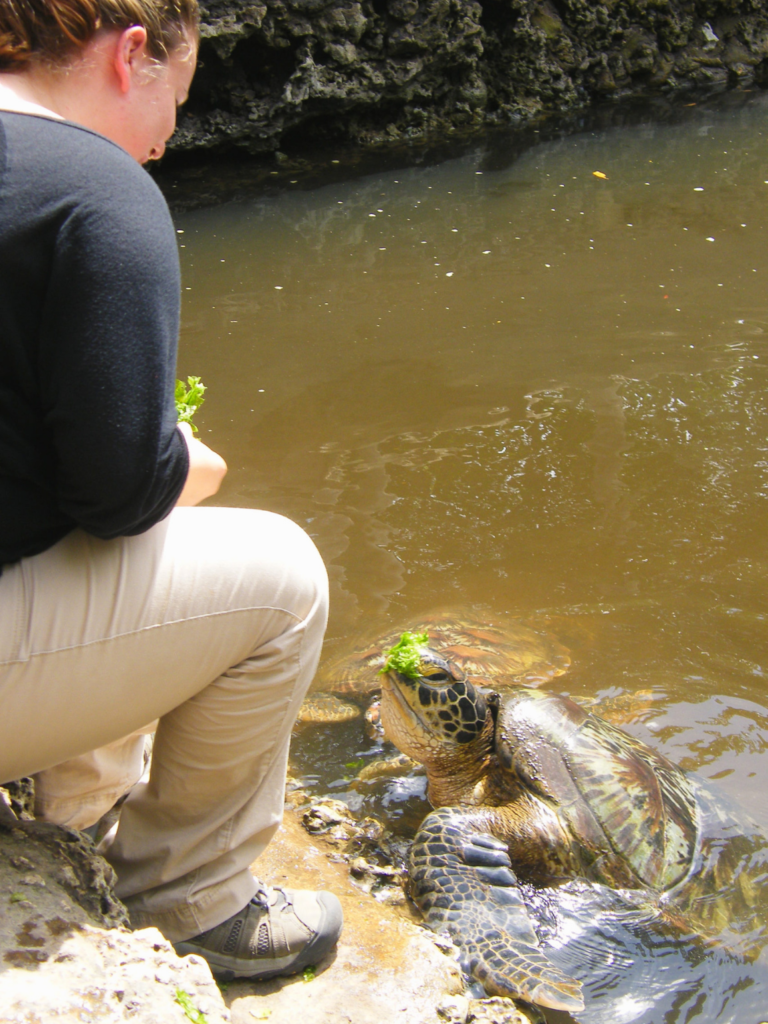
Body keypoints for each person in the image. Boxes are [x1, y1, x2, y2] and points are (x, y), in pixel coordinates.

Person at [0, 0, 342, 981]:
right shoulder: (98, 195)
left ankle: (74, 812)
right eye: (177, 102)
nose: (165, 142)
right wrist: (190, 461)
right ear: (134, 53)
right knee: (283, 576)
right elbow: (116, 492)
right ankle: (189, 893)